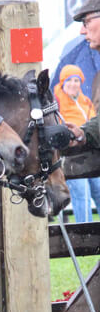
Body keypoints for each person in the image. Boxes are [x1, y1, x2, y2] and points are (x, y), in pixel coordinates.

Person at [54, 65, 100, 222]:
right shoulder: (56, 102)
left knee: (99, 190)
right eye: (69, 80)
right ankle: (85, 231)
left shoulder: (86, 101)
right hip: (71, 157)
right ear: (62, 82)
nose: (73, 84)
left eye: (76, 80)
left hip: (91, 154)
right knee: (82, 195)